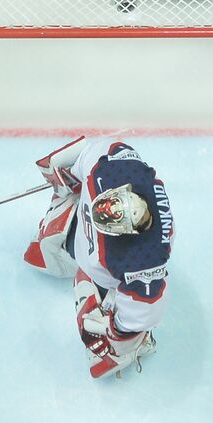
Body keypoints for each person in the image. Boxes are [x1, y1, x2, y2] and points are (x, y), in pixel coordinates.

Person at [23, 136, 174, 378]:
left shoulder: (140, 263)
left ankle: (126, 351)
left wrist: (117, 332)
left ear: (125, 232)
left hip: (99, 279)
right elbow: (98, 150)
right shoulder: (114, 172)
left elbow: (146, 310)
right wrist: (66, 172)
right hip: (83, 241)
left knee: (91, 320)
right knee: (50, 240)